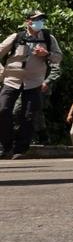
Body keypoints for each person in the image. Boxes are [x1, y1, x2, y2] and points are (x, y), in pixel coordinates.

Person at [0, 11, 63, 159]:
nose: (39, 22)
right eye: (36, 19)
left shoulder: (48, 38)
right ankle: (5, 146)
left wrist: (46, 54)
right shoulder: (16, 37)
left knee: (29, 116)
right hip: (12, 80)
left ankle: (19, 150)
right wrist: (2, 73)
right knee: (2, 109)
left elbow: (58, 58)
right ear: (28, 21)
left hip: (34, 82)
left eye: (41, 19)